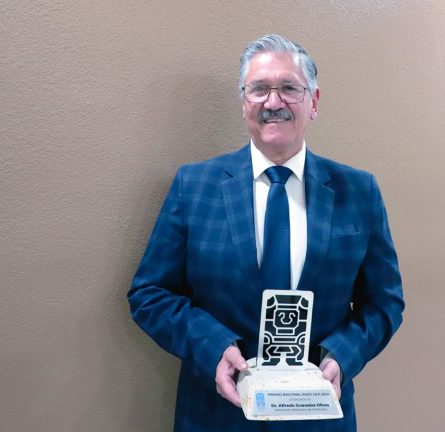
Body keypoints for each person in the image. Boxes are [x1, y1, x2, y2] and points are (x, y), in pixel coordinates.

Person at [128, 34, 404, 431]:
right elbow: (150, 294)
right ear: (244, 103)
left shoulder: (359, 191)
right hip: (215, 415)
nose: (273, 102)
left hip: (318, 417)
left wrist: (342, 356)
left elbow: (384, 303)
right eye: (259, 89)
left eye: (289, 88)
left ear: (314, 102)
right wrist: (213, 347)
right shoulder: (194, 185)